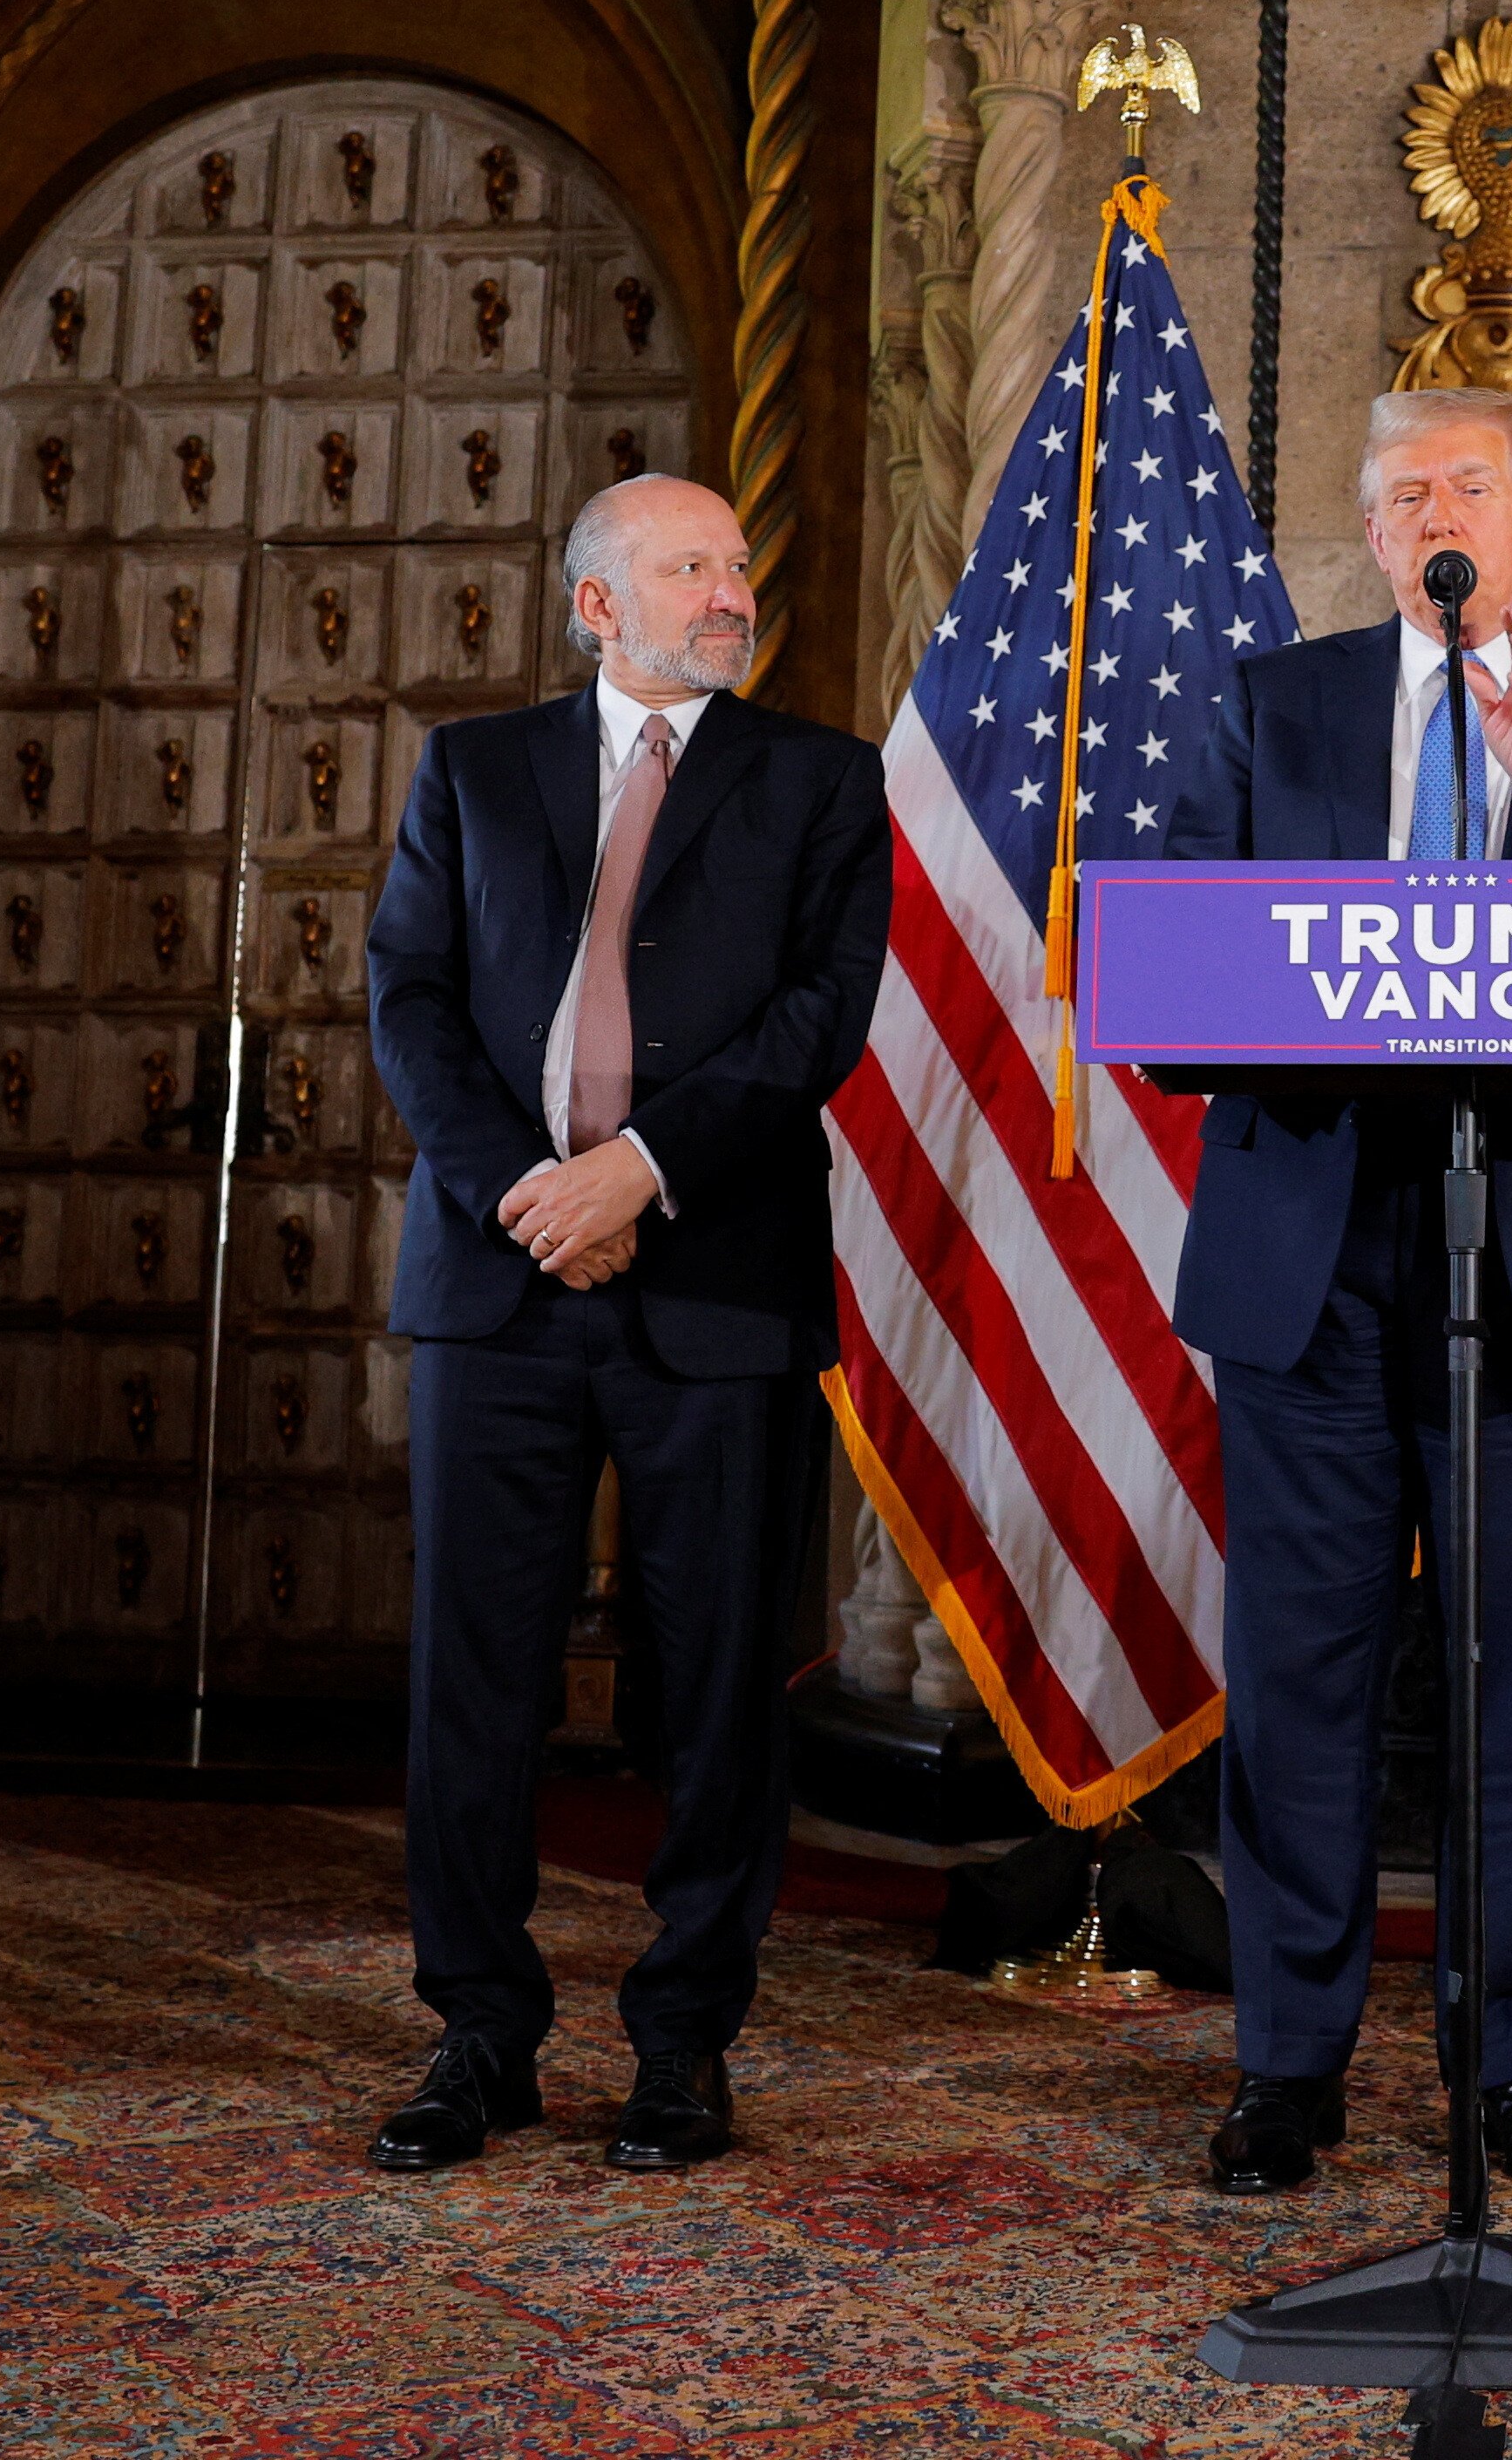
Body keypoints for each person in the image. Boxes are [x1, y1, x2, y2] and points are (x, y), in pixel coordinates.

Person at [1163, 385, 1512, 2196]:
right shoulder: (1277, 704)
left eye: (1464, 484)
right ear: (1373, 528)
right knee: (1302, 1677)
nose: (1431, 514)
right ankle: (1288, 2063)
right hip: (1315, 1248)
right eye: (1399, 491)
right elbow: (1172, 960)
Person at [361, 474, 889, 2175]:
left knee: (722, 1678)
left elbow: (819, 1016)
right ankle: (480, 2029)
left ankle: (683, 2040)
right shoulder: (473, 767)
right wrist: (534, 1183)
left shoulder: (821, 778)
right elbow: (410, 993)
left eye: (738, 561)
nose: (730, 589)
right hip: (497, 1274)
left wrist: (638, 1172)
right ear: (597, 601)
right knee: (478, 1670)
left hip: (715, 1280)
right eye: (690, 565)